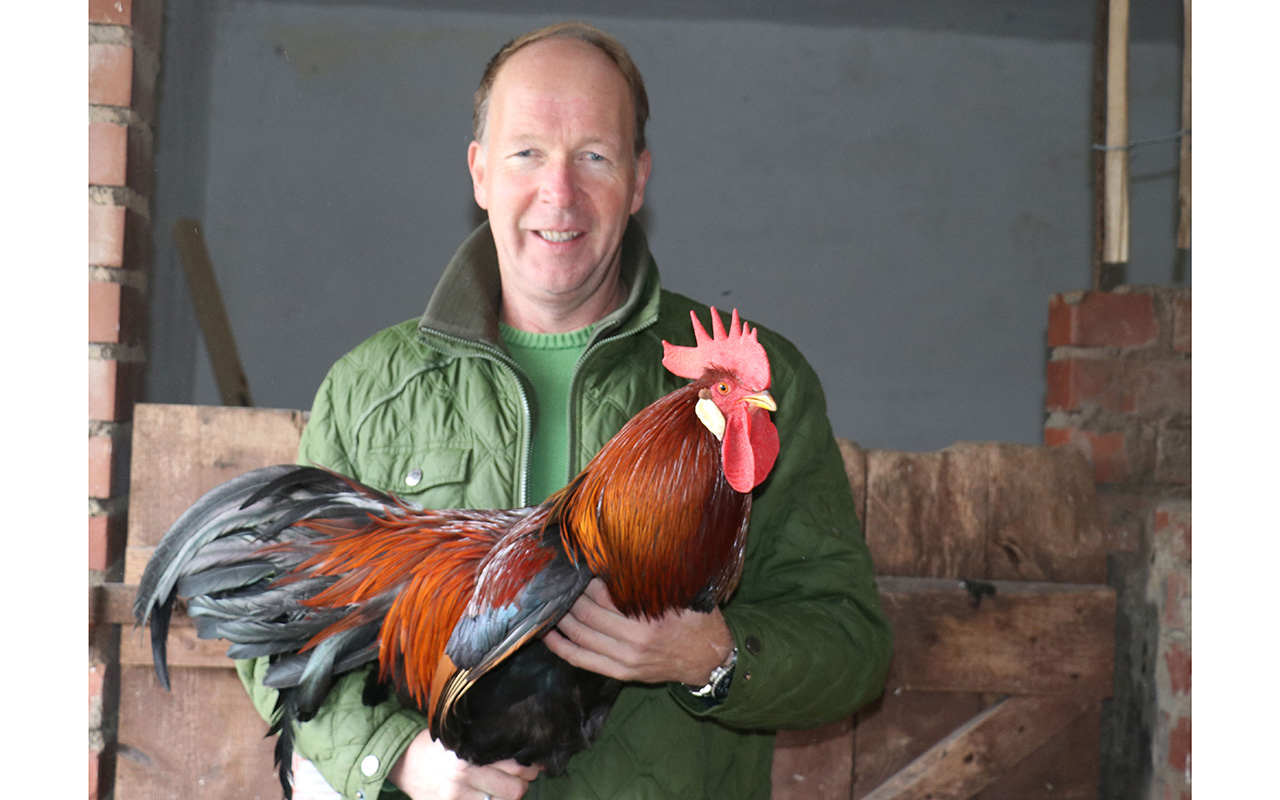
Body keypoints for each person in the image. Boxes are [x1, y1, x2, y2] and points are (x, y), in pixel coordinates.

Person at [237, 21, 892, 800]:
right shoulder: (371, 386)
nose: (560, 193)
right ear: (479, 173)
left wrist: (710, 656)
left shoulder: (749, 386)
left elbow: (851, 647)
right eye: (526, 154)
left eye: (594, 156)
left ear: (638, 180)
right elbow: (277, 635)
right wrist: (402, 757)